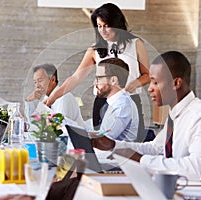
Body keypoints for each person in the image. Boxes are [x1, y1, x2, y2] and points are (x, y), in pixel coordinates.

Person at [91, 51, 201, 189]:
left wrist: (140, 159)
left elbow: (200, 169)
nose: (149, 88)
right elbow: (155, 149)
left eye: (155, 82)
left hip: (196, 192)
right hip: (172, 187)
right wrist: (113, 145)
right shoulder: (175, 115)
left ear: (176, 83)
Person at [43, 3, 150, 136]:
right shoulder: (95, 50)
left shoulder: (136, 44)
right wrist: (53, 97)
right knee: (101, 144)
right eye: (99, 26)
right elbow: (76, 78)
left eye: (106, 26)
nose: (103, 31)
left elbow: (147, 75)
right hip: (103, 103)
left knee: (132, 142)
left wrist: (133, 84)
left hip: (130, 100)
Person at [24, 63, 86, 128]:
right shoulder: (46, 99)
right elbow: (34, 124)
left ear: (53, 80)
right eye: (35, 82)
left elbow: (61, 128)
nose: (37, 86)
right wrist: (30, 101)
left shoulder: (64, 97)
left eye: (40, 80)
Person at [93, 58, 138, 141]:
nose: (95, 83)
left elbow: (105, 139)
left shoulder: (122, 105)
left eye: (99, 78)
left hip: (117, 153)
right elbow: (102, 133)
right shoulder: (115, 102)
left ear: (113, 80)